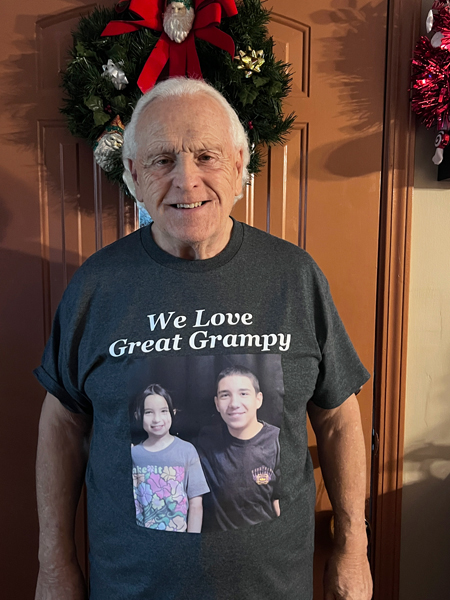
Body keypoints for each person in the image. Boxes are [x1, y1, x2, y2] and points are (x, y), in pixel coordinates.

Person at [34, 77, 373, 600]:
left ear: (240, 165)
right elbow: (62, 425)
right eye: (162, 160)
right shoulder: (97, 287)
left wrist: (354, 547)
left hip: (274, 589)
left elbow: (337, 418)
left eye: (207, 156)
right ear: (132, 174)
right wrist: (54, 565)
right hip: (129, 589)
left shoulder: (294, 276)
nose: (186, 181)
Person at [197, 365, 281, 531]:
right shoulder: (205, 440)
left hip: (264, 542)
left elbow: (281, 502)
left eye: (243, 393)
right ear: (216, 403)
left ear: (259, 399)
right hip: (217, 546)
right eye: (225, 395)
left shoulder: (277, 440)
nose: (234, 403)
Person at [130, 383, 209, 533]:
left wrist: (191, 542)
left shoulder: (187, 451)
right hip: (143, 541)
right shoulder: (133, 454)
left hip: (177, 542)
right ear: (138, 416)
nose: (157, 419)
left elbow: (196, 503)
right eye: (148, 412)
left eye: (163, 411)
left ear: (172, 413)